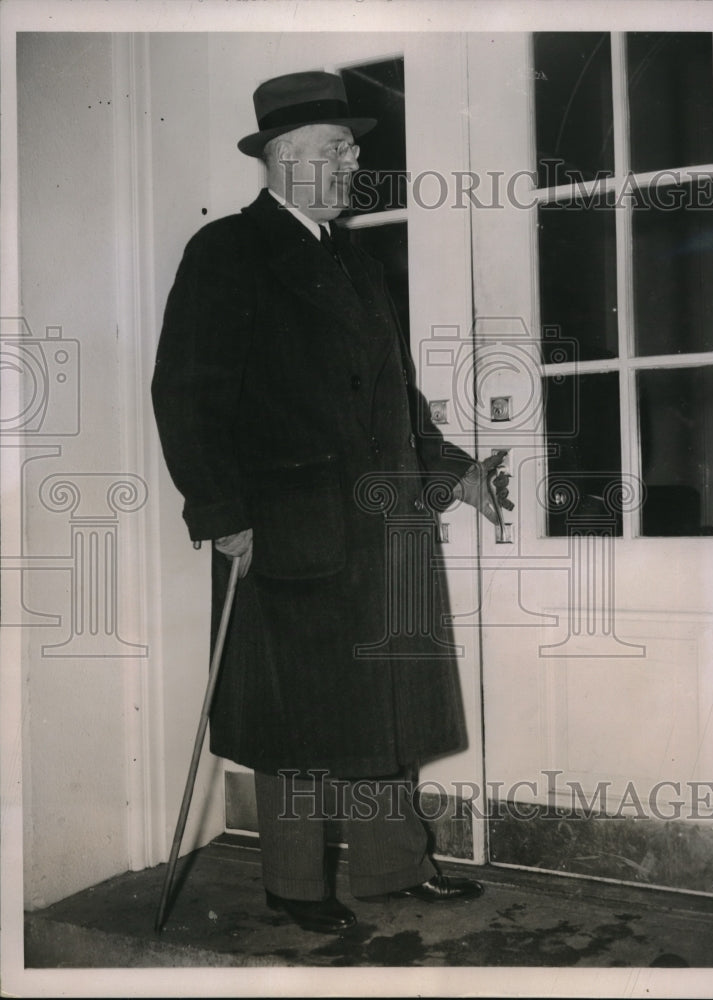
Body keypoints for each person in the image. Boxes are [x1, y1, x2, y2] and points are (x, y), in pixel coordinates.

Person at [151, 70, 507, 934]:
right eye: (338, 150)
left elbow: (397, 402)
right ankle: (294, 884)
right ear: (283, 157)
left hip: (382, 525)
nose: (354, 162)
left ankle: (392, 869)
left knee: (382, 705)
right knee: (299, 713)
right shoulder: (229, 251)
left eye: (351, 149)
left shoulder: (352, 256)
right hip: (286, 528)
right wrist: (222, 512)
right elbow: (185, 393)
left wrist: (451, 470)